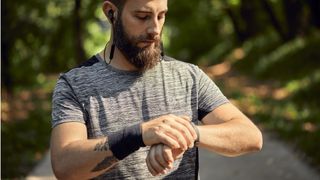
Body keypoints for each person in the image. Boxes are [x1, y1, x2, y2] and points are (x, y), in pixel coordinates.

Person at [50, 0, 263, 179]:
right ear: (111, 13)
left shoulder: (188, 76)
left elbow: (250, 136)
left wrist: (181, 134)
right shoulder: (74, 84)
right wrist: (139, 135)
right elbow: (64, 165)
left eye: (161, 16)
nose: (155, 30)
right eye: (142, 17)